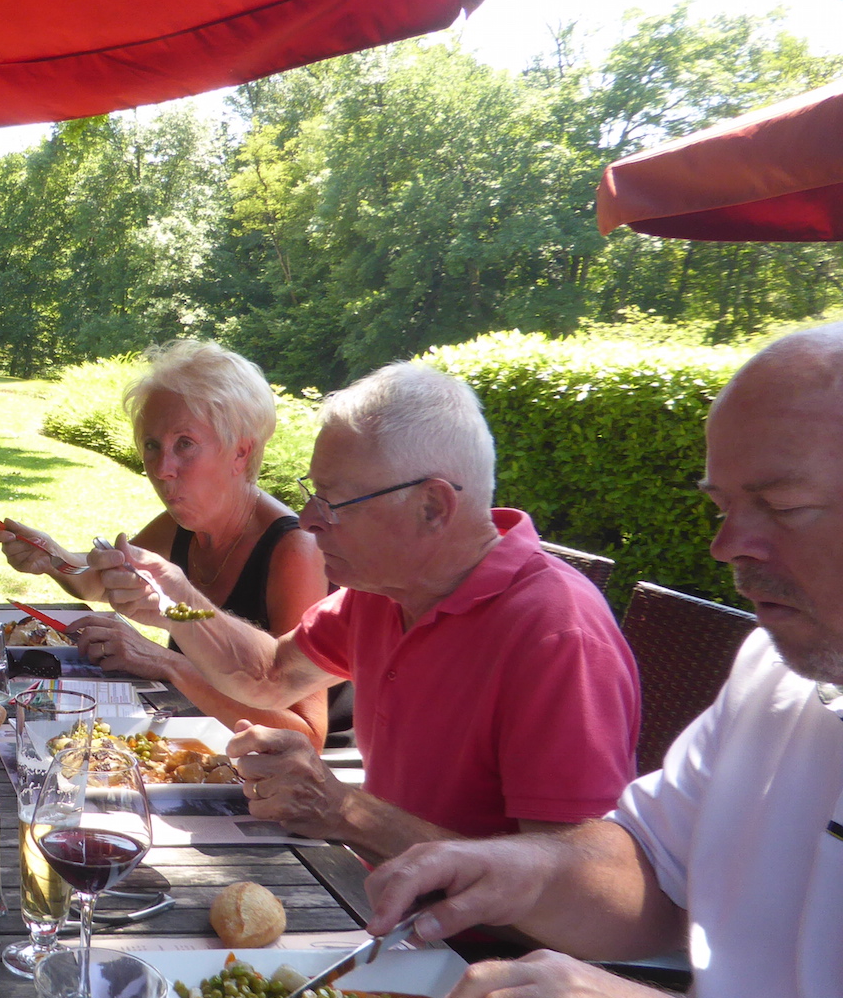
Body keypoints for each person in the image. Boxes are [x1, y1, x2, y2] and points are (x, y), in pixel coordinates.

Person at [365, 324, 843, 998]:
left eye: (783, 505)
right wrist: (518, 870)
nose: (726, 546)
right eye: (722, 506)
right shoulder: (774, 668)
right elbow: (650, 872)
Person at [92, 362, 639, 863]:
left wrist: (346, 812)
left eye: (333, 501)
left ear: (432, 506)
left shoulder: (556, 633)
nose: (306, 520)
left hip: (473, 953)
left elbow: (576, 888)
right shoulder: (383, 590)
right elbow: (270, 675)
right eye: (312, 493)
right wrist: (176, 602)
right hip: (373, 893)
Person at [0, 340, 331, 742]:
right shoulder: (183, 524)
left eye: (184, 444)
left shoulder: (295, 549)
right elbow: (99, 582)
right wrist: (52, 557)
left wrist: (168, 664)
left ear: (241, 452)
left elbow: (308, 736)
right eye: (152, 446)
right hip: (202, 737)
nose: (162, 469)